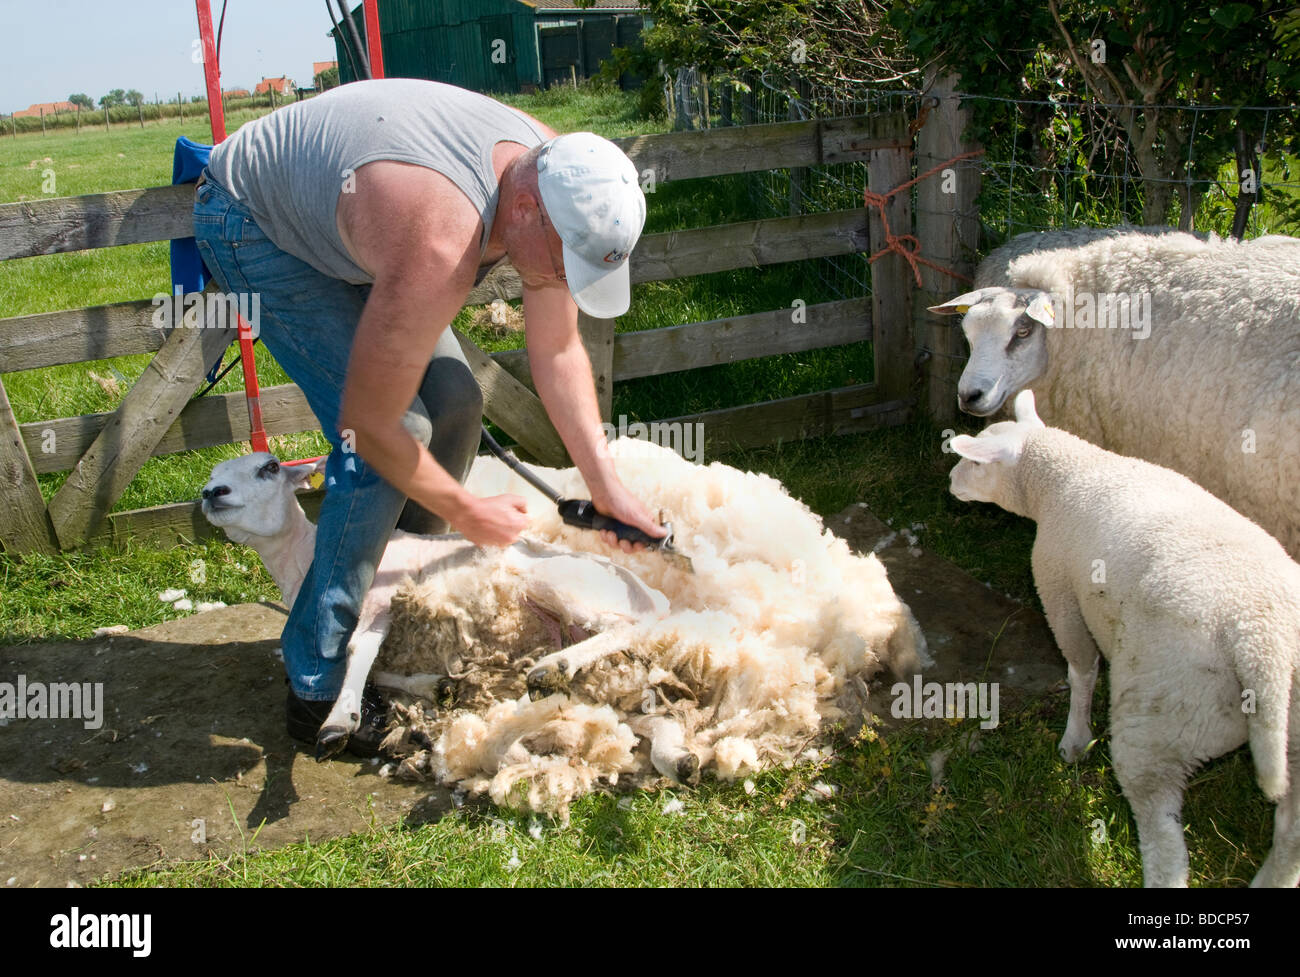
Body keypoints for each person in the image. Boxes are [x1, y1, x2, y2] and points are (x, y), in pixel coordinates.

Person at [192, 78, 664, 755]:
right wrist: (466, 512)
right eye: (566, 262)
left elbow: (557, 347)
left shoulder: (564, 172)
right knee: (391, 440)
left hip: (363, 220)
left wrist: (606, 485)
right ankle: (316, 680)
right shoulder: (443, 237)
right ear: (525, 209)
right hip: (255, 221)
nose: (566, 278)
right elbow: (371, 422)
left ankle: (395, 601)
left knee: (458, 403)